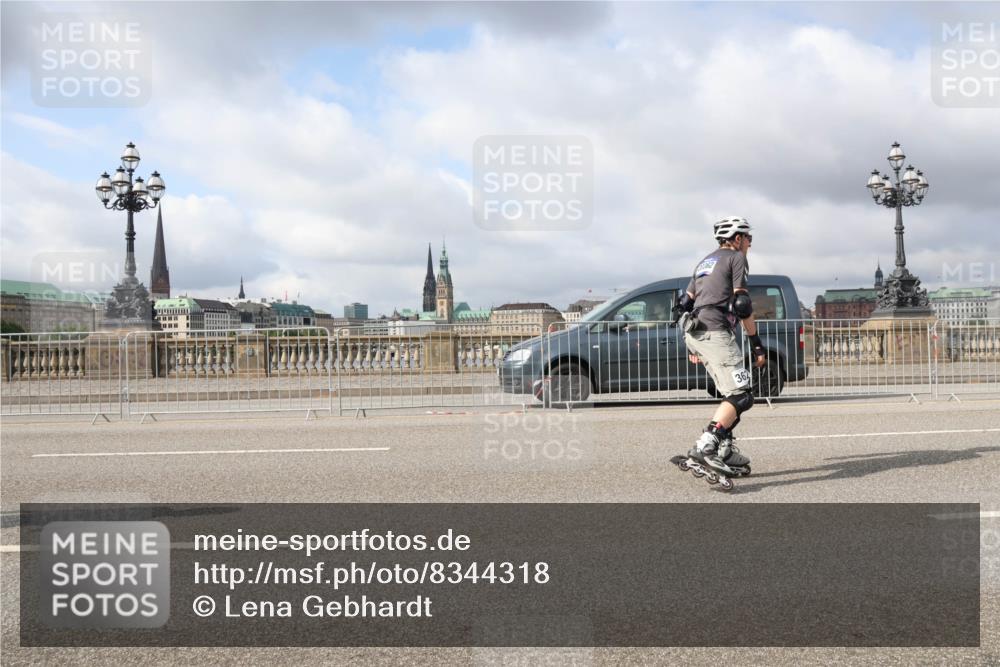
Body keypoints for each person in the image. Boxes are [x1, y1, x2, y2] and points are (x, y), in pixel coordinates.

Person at [673, 216, 766, 476]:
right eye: (748, 237)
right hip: (715, 331)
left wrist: (694, 348)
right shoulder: (737, 258)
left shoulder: (705, 261)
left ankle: (724, 448)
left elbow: (684, 303)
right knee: (742, 395)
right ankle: (706, 446)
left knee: (730, 395)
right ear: (737, 238)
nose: (749, 243)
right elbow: (742, 305)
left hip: (695, 332)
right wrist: (756, 344)